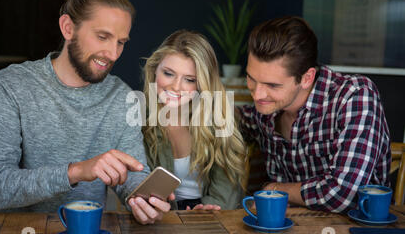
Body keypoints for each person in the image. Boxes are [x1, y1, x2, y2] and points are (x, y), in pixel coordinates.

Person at [0, 0, 172, 225]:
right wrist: (76, 171)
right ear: (68, 28)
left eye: (121, 42)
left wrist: (142, 198)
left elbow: (132, 173)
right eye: (103, 37)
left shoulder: (120, 96)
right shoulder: (9, 87)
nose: (112, 53)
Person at [237, 16, 391, 213]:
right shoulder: (266, 111)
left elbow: (342, 194)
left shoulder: (354, 96)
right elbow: (232, 120)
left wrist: (273, 189)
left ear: (307, 78)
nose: (257, 94)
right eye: (251, 78)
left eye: (272, 85)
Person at [141, 30, 247, 210]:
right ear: (154, 71)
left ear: (201, 84)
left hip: (211, 214)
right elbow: (136, 189)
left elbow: (226, 194)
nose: (176, 86)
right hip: (160, 217)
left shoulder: (218, 118)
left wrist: (203, 211)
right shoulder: (139, 118)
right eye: (168, 73)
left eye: (189, 79)